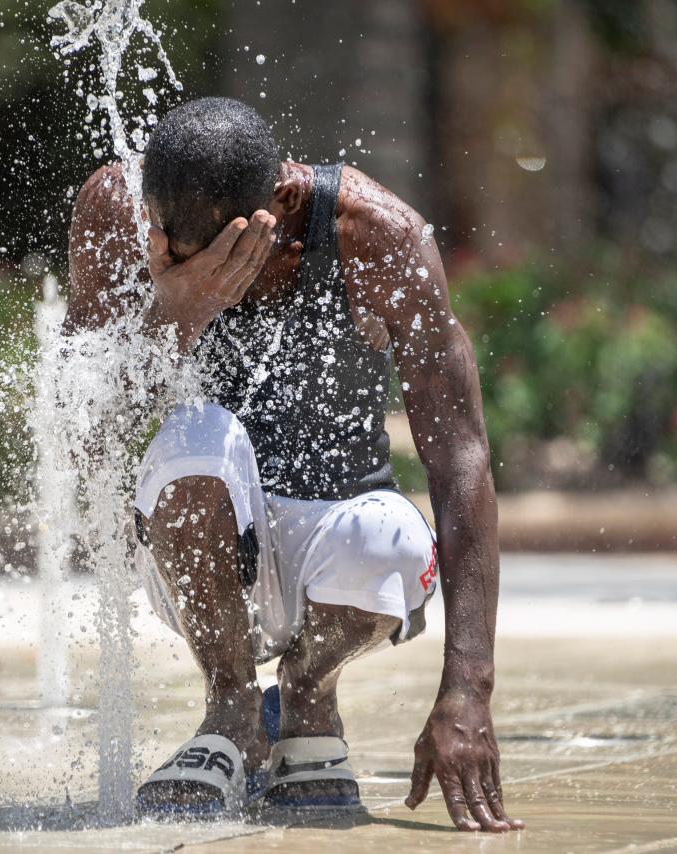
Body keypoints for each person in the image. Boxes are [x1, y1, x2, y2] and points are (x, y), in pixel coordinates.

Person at [64, 96, 522, 833]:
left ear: (279, 195)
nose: (185, 260)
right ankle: (231, 708)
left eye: (218, 248)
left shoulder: (377, 236)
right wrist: (178, 309)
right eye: (171, 246)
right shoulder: (115, 211)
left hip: (330, 555)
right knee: (198, 433)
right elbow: (81, 430)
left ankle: (307, 699)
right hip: (193, 553)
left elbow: (462, 458)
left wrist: (469, 691)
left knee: (391, 539)